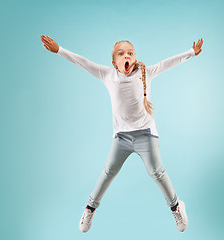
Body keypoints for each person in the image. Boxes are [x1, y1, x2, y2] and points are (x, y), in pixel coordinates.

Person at [40, 35, 203, 233]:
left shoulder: (146, 73)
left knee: (157, 173)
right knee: (108, 172)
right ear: (114, 62)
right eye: (121, 53)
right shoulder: (107, 74)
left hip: (146, 135)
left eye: (130, 53)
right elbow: (83, 62)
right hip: (121, 138)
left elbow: (167, 63)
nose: (126, 56)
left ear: (134, 58)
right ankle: (90, 209)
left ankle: (177, 207)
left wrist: (191, 53)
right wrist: (59, 50)